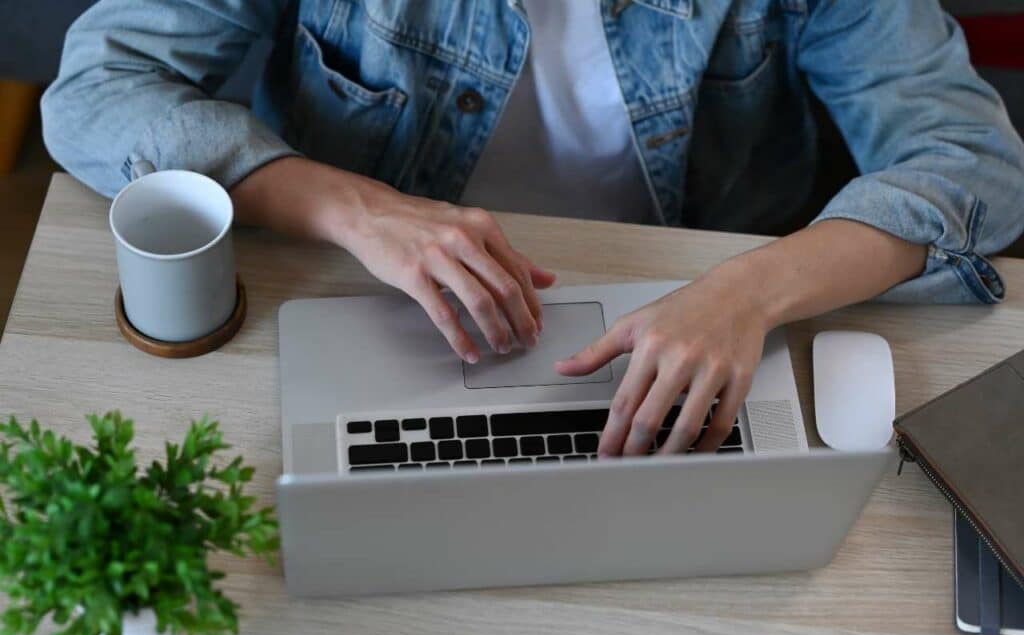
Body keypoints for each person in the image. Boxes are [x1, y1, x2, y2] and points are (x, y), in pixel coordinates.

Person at [42, 1, 1024, 458]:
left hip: (701, 310)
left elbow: (974, 161)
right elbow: (93, 91)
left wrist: (750, 290)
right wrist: (355, 208)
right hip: (347, 296)